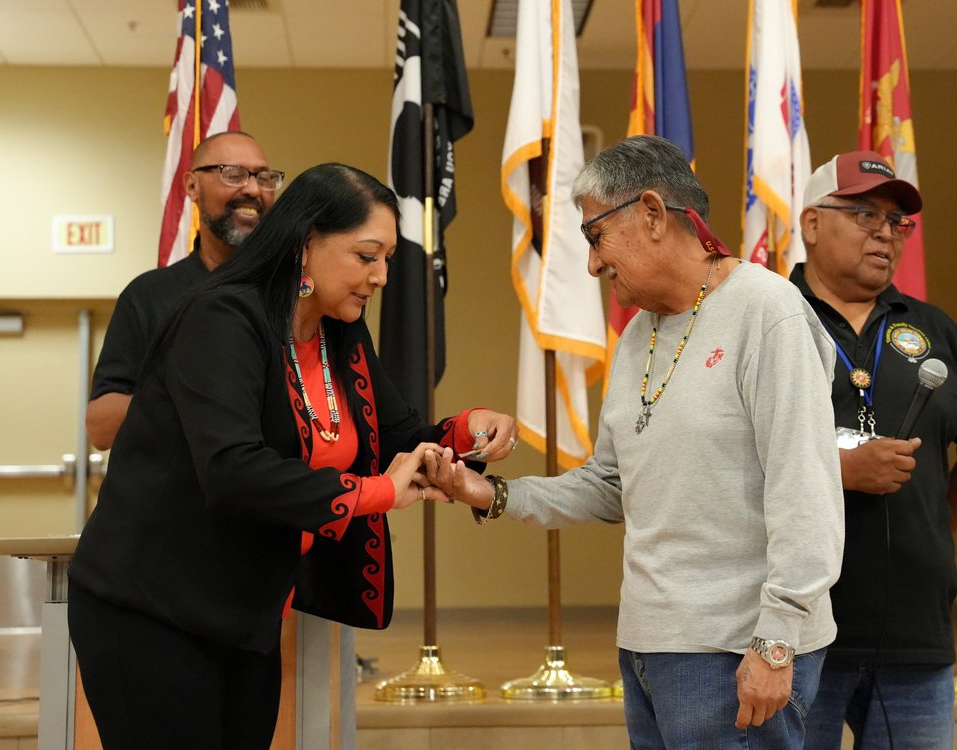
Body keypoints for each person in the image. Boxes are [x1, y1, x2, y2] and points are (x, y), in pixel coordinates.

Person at [67, 162, 518, 749]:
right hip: (151, 603)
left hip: (245, 609)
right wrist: (377, 493)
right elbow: (232, 468)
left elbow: (395, 433)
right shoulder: (222, 317)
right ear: (307, 243)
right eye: (366, 256)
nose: (380, 276)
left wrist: (465, 432)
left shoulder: (340, 329)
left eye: (386, 260)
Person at [424, 135, 845, 748]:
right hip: (649, 647)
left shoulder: (767, 311)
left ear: (651, 213)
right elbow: (611, 484)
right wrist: (486, 492)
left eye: (594, 235)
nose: (592, 263)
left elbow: (807, 491)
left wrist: (776, 643)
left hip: (738, 651)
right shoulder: (635, 337)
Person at [791, 151, 957, 749]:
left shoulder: (934, 329)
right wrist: (838, 472)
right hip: (788, 633)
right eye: (865, 214)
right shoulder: (766, 320)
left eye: (898, 223)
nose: (886, 233)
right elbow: (721, 458)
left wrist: (931, 523)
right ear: (812, 224)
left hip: (915, 634)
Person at [86, 130, 281, 450]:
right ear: (192, 186)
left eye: (265, 177)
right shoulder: (149, 295)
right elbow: (100, 429)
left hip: (269, 493)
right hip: (171, 496)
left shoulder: (290, 293)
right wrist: (188, 390)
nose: (253, 189)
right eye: (233, 175)